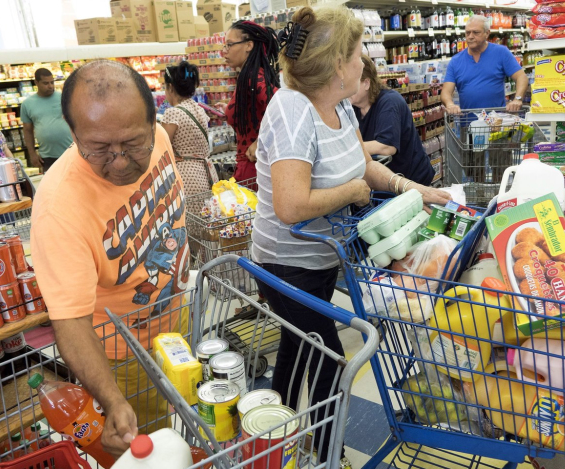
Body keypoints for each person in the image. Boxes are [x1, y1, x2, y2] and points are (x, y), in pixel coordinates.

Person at [253, 6, 451, 467]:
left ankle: (265, 439)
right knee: (326, 355)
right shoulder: (293, 112)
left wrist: (413, 188)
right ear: (336, 63)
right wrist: (352, 193)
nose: (365, 61)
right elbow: (290, 204)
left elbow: (359, 161)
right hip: (285, 265)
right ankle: (327, 455)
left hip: (320, 259)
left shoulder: (338, 103)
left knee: (296, 346)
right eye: (359, 52)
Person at [30, 60, 190, 459]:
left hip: (178, 316)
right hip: (123, 352)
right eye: (99, 148)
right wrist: (113, 400)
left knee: (187, 417)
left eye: (134, 143)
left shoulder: (161, 140)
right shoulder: (58, 208)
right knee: (154, 450)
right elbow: (71, 322)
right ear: (73, 133)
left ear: (154, 121)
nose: (119, 161)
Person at [351, 55, 435, 185]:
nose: (346, 88)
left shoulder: (389, 102)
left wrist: (348, 148)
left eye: (352, 83)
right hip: (388, 181)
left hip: (412, 179)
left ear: (366, 83)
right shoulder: (353, 107)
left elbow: (387, 147)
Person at [216, 20, 280, 187]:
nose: (224, 52)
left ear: (249, 45)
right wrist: (229, 109)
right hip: (253, 169)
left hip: (255, 170)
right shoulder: (248, 76)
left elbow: (284, 108)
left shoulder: (252, 77)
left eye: (229, 45)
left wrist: (261, 142)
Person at [441, 15, 528, 114]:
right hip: (468, 123)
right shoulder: (455, 61)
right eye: (468, 33)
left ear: (487, 33)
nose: (470, 36)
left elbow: (521, 77)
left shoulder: (501, 52)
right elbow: (446, 91)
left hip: (496, 123)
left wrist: (518, 99)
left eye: (476, 32)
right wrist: (449, 104)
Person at [160, 61, 217, 196]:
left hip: (186, 177)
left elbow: (163, 147)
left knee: (189, 216)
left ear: (170, 87)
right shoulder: (198, 108)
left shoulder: (173, 113)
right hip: (207, 174)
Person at [21, 68, 74, 172]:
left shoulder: (64, 97)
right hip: (47, 156)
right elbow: (27, 130)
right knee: (52, 187)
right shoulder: (27, 104)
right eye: (45, 83)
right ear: (36, 82)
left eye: (52, 82)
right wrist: (32, 154)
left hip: (71, 152)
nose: (50, 86)